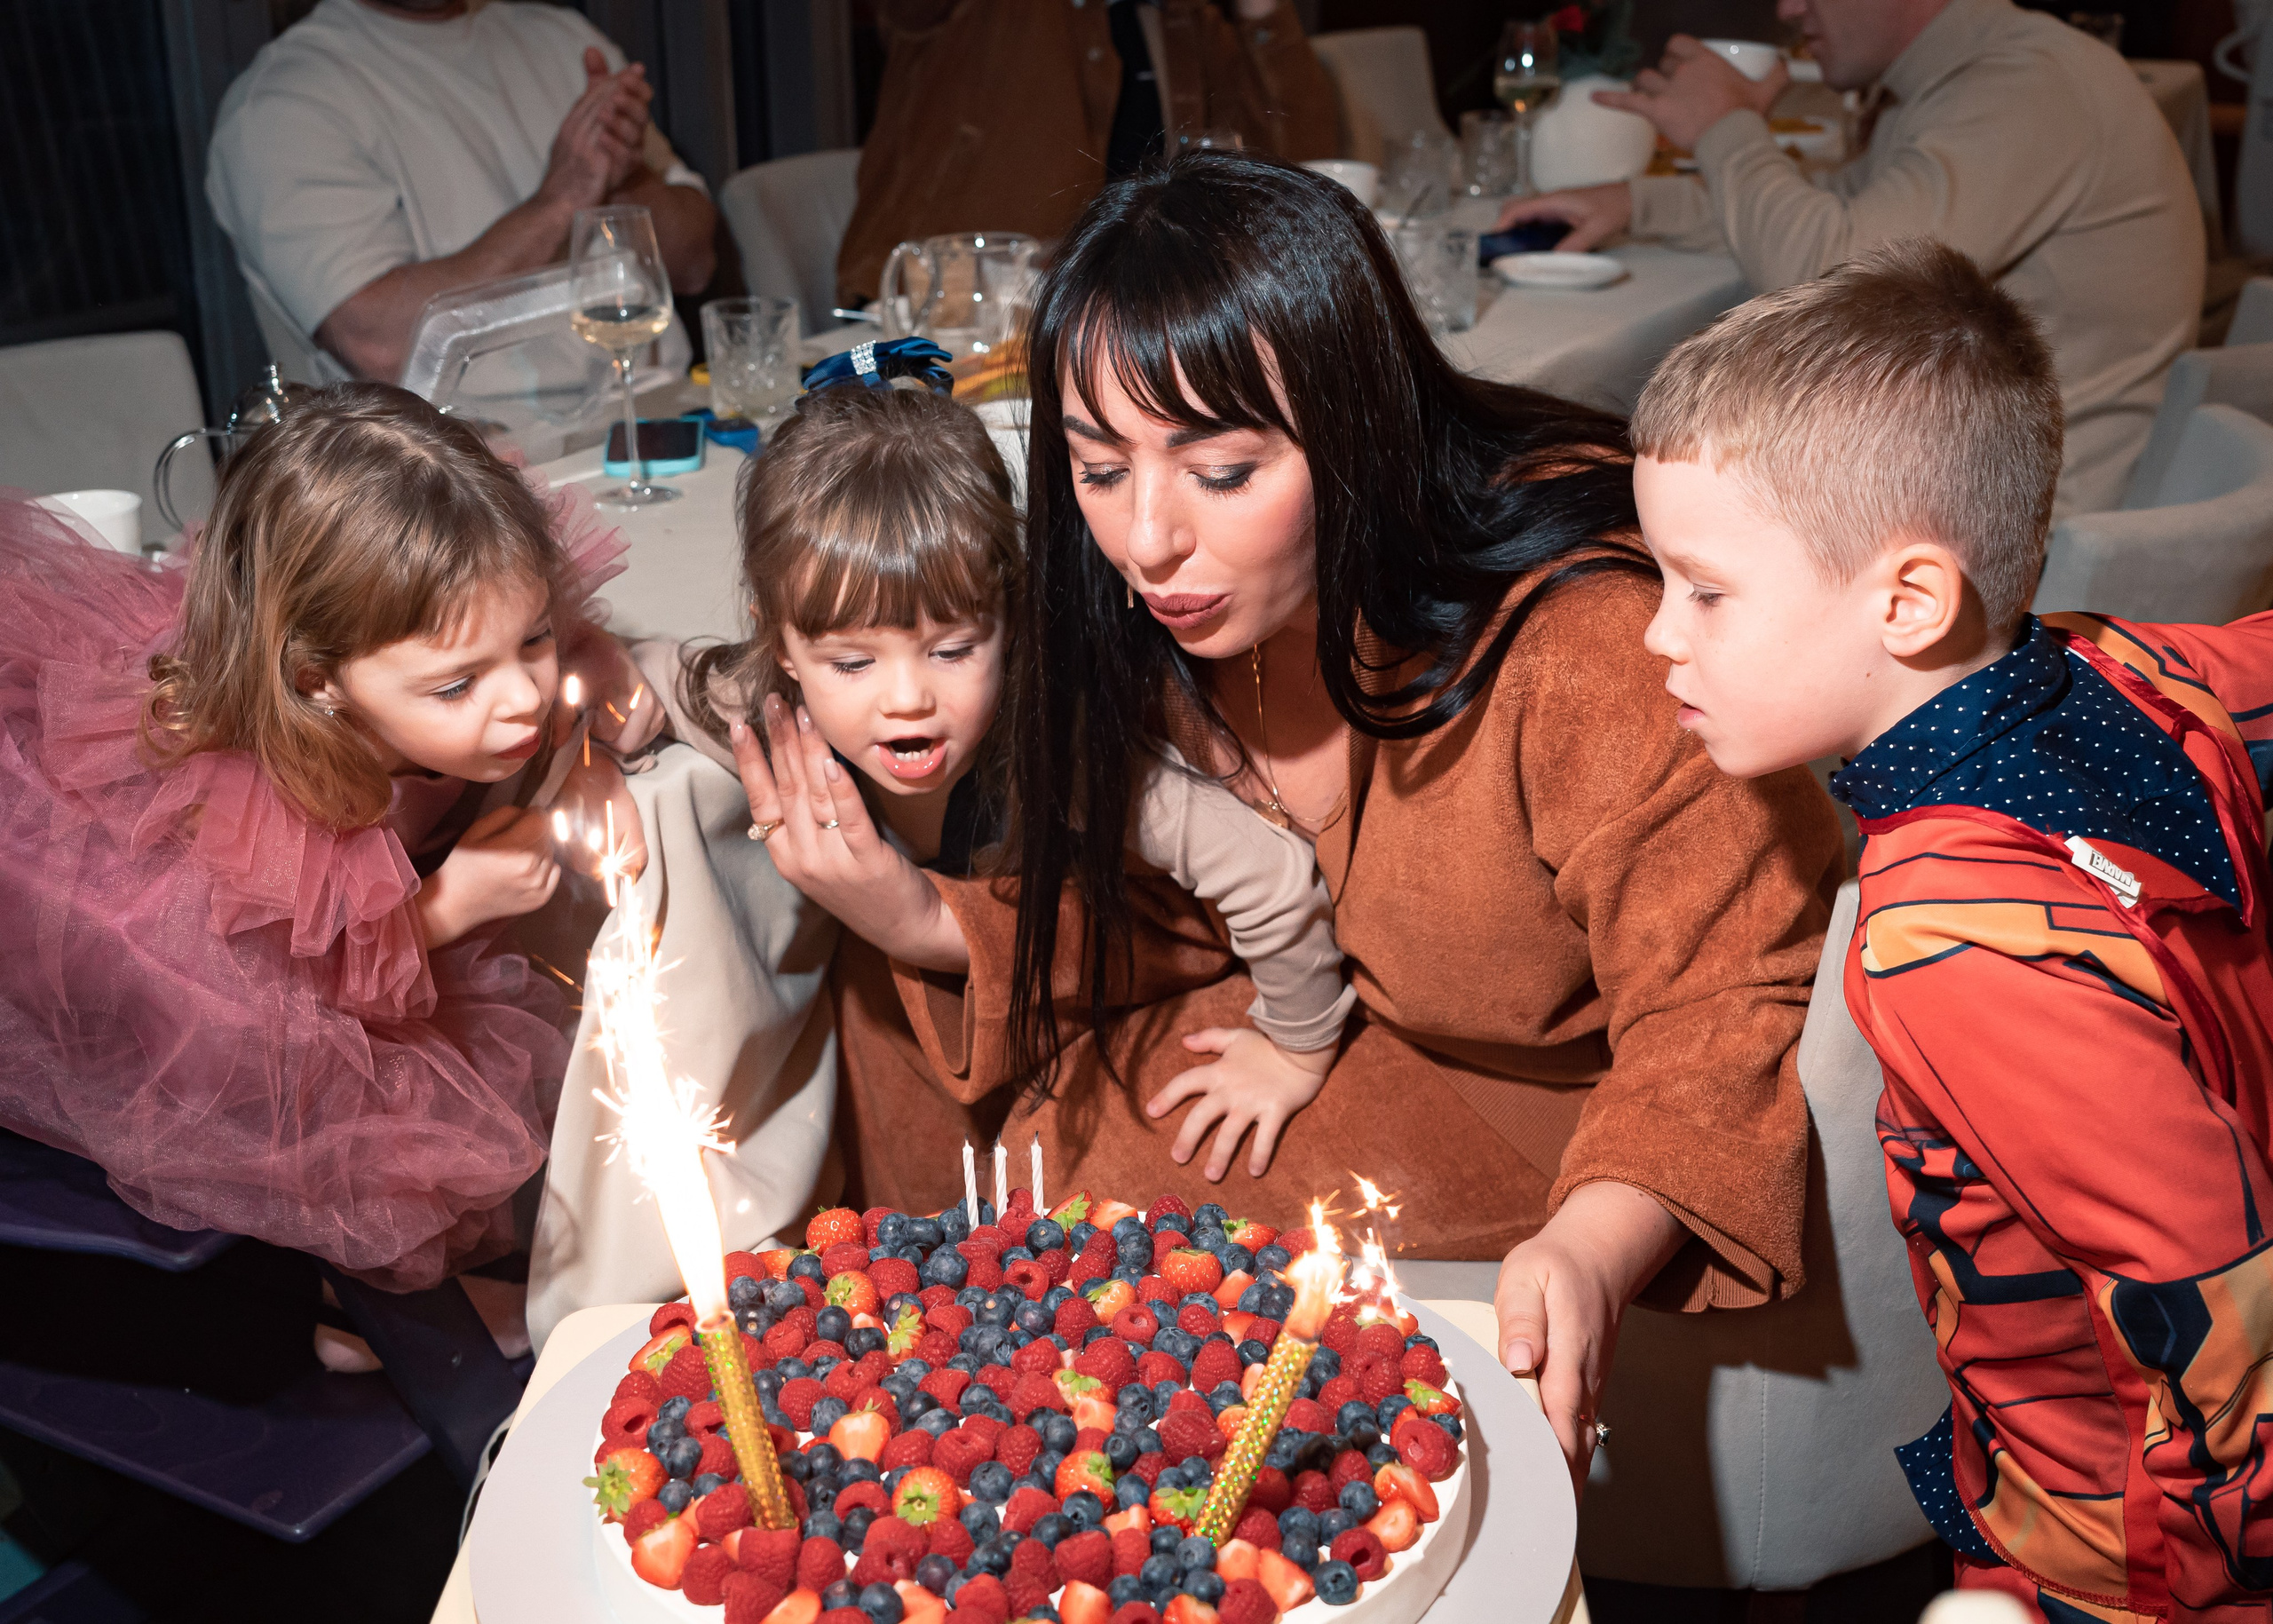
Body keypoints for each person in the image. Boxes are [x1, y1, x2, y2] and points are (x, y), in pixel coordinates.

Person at [783, 153, 1842, 1477]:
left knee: (1102, 1269)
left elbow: (1717, 1008)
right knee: (976, 1146)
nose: (1147, 540)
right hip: (1321, 1008)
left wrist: (1586, 1244)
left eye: (1221, 471)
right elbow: (1169, 913)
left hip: (1543, 1097)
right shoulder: (1152, 606)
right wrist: (930, 923)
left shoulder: (1584, 645)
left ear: (1348, 429)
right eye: (1099, 468)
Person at [1633, 237, 2273, 1619]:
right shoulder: (2116, 671)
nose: (1656, 637)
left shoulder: (1953, 947)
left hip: (2127, 1552)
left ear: (1909, 603)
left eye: (1705, 590)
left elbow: (2218, 1311)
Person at [635, 345, 1355, 1208]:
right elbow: (655, 671)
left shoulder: (1065, 744)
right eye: (851, 661)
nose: (908, 700)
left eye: (951, 649)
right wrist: (612, 696)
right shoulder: (760, 703)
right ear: (779, 640)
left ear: (1007, 616)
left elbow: (1270, 875)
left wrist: (1294, 1046)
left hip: (1083, 1024)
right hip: (900, 1057)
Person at [0, 383, 643, 1309]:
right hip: (206, 958)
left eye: (532, 638)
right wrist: (446, 905)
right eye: (458, 686)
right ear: (320, 683)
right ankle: (361, 1316)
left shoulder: (463, 623)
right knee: (374, 1121)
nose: (520, 697)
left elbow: (580, 655)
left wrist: (589, 751)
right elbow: (278, 1006)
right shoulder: (266, 801)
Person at [1501, 0, 2205, 516]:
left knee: (1594, 496)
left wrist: (1723, 125)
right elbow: (1841, 211)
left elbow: (1834, 283)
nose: (1789, 9)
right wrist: (1635, 204)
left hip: (2021, 530)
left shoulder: (2029, 84)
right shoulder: (1984, 71)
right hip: (1987, 479)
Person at [208, 0, 717, 384]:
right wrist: (564, 200)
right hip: (451, 487)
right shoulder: (280, 104)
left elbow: (695, 264)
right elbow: (381, 344)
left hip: (657, 422)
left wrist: (623, 178)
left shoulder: (562, 37)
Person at [836, 0, 1338, 306]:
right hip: (942, 310)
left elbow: (1307, 158)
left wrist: (1260, 11)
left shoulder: (1181, 18)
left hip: (1115, 304)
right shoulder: (975, 15)